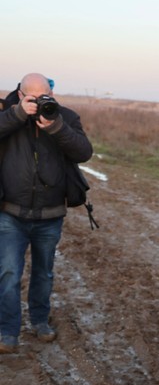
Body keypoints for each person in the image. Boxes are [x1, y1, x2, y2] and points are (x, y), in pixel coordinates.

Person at [0, 73, 93, 354]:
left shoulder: (64, 117)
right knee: (8, 272)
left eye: (47, 97)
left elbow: (84, 152)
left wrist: (56, 127)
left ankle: (40, 321)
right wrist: (17, 115)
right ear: (20, 95)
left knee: (44, 273)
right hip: (10, 213)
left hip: (50, 214)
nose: (42, 102)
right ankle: (7, 331)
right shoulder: (8, 114)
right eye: (35, 98)